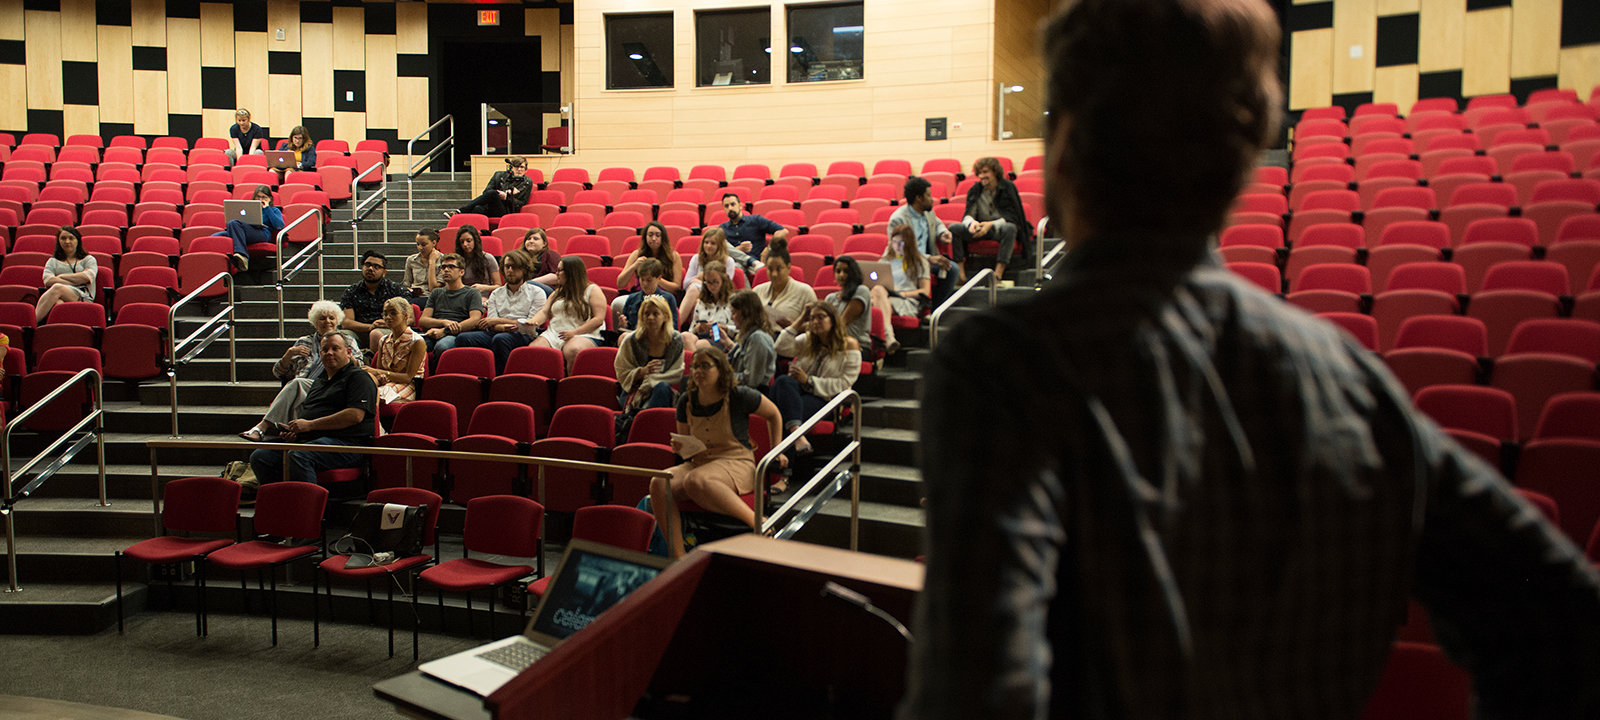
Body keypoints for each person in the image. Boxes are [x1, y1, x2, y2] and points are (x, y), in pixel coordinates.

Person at [903, 1, 1600, 719]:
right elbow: (1564, 621)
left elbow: (980, 693)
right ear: (1241, 158)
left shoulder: (1008, 364)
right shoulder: (1349, 380)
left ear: (1068, 142)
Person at [649, 346, 787, 559]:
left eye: (705, 366)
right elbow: (687, 447)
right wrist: (682, 447)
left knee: (696, 480)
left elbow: (774, 414)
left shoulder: (739, 395)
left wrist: (776, 449)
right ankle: (678, 555)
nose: (698, 371)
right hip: (700, 462)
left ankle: (758, 522)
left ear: (720, 370)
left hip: (737, 461)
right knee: (659, 481)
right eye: (695, 366)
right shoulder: (686, 400)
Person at [247, 332, 375, 486]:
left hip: (347, 444)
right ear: (320, 354)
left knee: (300, 455)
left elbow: (355, 415)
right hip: (312, 440)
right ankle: (281, 498)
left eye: (335, 348)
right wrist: (295, 432)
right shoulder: (319, 381)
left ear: (348, 352)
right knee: (261, 456)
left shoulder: (358, 377)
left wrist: (310, 425)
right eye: (325, 350)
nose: (329, 353)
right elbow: (309, 415)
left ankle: (307, 501)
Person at [238, 301, 361, 442]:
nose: (328, 321)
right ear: (315, 322)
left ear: (337, 321)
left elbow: (359, 367)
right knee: (297, 391)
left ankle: (262, 427)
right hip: (306, 386)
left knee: (297, 384)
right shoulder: (304, 342)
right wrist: (289, 354)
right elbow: (279, 373)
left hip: (331, 385)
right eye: (322, 318)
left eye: (331, 318)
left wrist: (346, 355)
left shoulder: (347, 341)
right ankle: (295, 436)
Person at [770, 301, 859, 456]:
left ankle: (783, 466)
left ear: (833, 319)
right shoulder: (807, 340)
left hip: (825, 399)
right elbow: (780, 347)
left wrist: (808, 380)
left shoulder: (849, 345)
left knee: (783, 412)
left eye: (820, 317)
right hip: (798, 393)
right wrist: (801, 319)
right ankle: (797, 434)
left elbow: (845, 382)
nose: (815, 321)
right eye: (811, 318)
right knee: (783, 381)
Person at [454, 249, 547, 374]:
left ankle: (504, 378)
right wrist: (501, 327)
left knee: (501, 339)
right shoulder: (496, 293)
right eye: (507, 267)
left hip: (524, 335)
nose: (510, 270)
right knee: (463, 338)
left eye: (514, 267)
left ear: (524, 269)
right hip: (498, 331)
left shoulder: (537, 292)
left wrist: (497, 321)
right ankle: (472, 378)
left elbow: (530, 323)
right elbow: (490, 322)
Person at [946, 156, 1032, 280]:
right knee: (954, 228)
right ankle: (961, 275)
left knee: (1010, 228)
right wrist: (971, 223)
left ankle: (997, 275)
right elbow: (968, 215)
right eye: (979, 173)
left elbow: (1013, 217)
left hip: (999, 229)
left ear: (995, 172)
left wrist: (990, 224)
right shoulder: (975, 189)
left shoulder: (1008, 187)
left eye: (985, 172)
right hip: (979, 229)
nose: (981, 176)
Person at [526, 256, 607, 374]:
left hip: (583, 334)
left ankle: (570, 383)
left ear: (571, 272)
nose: (557, 274)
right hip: (554, 334)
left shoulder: (593, 290)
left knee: (574, 350)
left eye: (560, 271)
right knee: (533, 350)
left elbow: (598, 319)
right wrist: (533, 321)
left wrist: (575, 332)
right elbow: (544, 312)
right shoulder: (557, 293)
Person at [889, 176, 962, 305]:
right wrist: (928, 258)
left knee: (952, 269)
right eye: (929, 195)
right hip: (907, 261)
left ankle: (936, 307)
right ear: (919, 198)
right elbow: (900, 250)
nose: (932, 199)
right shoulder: (898, 219)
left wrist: (942, 232)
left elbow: (937, 223)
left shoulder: (928, 212)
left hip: (926, 260)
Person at [615, 295, 685, 413]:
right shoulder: (631, 340)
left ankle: (643, 419)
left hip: (662, 391)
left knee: (662, 387)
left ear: (665, 317)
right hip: (634, 390)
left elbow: (677, 372)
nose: (650, 317)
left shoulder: (675, 340)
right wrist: (642, 372)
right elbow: (621, 370)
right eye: (646, 314)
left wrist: (652, 380)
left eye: (655, 314)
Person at [872, 225, 931, 355]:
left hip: (906, 301)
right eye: (894, 242)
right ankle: (888, 337)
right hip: (885, 297)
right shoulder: (886, 260)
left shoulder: (920, 262)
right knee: (877, 290)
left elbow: (925, 291)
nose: (897, 246)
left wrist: (903, 294)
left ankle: (884, 339)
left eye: (901, 243)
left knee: (877, 298)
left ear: (909, 243)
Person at [339, 250, 410, 349]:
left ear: (384, 272)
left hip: (388, 329)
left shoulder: (396, 290)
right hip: (360, 331)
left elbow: (410, 319)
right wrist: (370, 327)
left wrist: (388, 323)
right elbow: (346, 322)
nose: (370, 268)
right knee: (340, 337)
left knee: (375, 334)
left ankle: (375, 359)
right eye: (367, 265)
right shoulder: (351, 291)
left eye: (376, 266)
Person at [418, 253, 484, 354]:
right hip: (434, 332)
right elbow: (423, 321)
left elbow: (475, 320)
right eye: (443, 267)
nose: (446, 270)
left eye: (451, 267)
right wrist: (443, 322)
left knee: (442, 346)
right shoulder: (436, 293)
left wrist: (445, 330)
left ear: (461, 272)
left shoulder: (472, 293)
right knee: (413, 346)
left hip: (455, 334)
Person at [366, 297, 425, 406]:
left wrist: (380, 373)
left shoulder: (416, 341)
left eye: (393, 313)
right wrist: (381, 376)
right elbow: (380, 371)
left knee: (372, 395)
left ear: (405, 315)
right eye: (385, 314)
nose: (388, 317)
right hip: (387, 384)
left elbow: (408, 377)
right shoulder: (383, 340)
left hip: (408, 386)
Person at [716, 289, 777, 392]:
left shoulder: (758, 339)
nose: (731, 318)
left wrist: (721, 377)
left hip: (748, 394)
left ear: (746, 314)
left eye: (734, 313)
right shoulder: (746, 335)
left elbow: (750, 380)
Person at [36, 226, 98, 323]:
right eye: (63, 238)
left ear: (78, 240)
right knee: (58, 303)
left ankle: (32, 322)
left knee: (57, 288)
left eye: (71, 238)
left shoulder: (88, 259)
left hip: (82, 296)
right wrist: (77, 279)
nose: (67, 241)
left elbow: (86, 277)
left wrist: (60, 276)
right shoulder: (52, 261)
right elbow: (48, 280)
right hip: (59, 295)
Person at [679, 227, 739, 328]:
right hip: (699, 292)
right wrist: (701, 277)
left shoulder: (728, 261)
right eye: (706, 242)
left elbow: (725, 285)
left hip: (718, 293)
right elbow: (685, 284)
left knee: (697, 300)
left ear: (719, 245)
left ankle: (685, 327)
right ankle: (678, 326)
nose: (708, 246)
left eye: (713, 243)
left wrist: (702, 280)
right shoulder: (696, 258)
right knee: (693, 290)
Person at [752, 237, 816, 328]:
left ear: (788, 268)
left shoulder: (805, 291)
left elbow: (814, 324)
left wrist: (793, 327)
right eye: (770, 269)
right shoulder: (757, 291)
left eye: (779, 269)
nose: (774, 274)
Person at [718, 191, 787, 273]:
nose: (730, 208)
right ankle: (750, 261)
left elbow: (782, 231)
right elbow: (719, 252)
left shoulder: (755, 220)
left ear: (740, 206)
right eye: (726, 206)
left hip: (757, 265)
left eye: (733, 204)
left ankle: (752, 262)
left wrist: (769, 248)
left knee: (736, 269)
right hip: (735, 263)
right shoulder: (722, 228)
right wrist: (738, 249)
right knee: (718, 239)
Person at [223, 184, 284, 272]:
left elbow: (279, 225)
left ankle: (242, 256)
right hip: (245, 231)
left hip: (262, 233)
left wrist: (267, 208)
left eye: (264, 197)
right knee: (217, 236)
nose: (260, 199)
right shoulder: (249, 209)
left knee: (233, 223)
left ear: (270, 198)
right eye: (258, 197)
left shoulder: (274, 210)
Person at [450, 155, 533, 218]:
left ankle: (461, 211)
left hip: (507, 210)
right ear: (511, 168)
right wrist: (499, 194)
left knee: (493, 193)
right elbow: (486, 192)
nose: (519, 169)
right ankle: (479, 232)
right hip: (492, 206)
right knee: (478, 208)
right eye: (516, 167)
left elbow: (522, 203)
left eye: (522, 167)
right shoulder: (498, 175)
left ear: (526, 170)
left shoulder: (527, 182)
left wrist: (507, 197)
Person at [616, 221, 684, 295]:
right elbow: (620, 284)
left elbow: (676, 288)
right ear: (645, 237)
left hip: (663, 296)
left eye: (658, 235)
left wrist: (655, 278)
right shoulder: (636, 254)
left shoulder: (673, 256)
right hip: (640, 295)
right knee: (618, 301)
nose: (654, 238)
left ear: (663, 238)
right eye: (650, 235)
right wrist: (634, 266)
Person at [613, 257, 679, 332]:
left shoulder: (668, 298)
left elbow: (673, 328)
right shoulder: (632, 299)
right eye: (642, 279)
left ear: (659, 278)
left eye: (649, 280)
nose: (644, 283)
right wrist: (623, 325)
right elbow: (627, 328)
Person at [823, 256, 872, 351]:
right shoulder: (830, 298)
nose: (841, 275)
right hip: (834, 344)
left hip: (858, 346)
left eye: (846, 271)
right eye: (838, 271)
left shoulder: (861, 291)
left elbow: (843, 322)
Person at [687, 264, 735, 347]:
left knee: (698, 344)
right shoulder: (701, 303)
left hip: (723, 339)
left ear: (724, 281)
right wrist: (698, 328)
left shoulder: (733, 302)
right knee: (684, 336)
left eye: (715, 282)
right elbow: (691, 330)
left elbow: (742, 331)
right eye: (708, 282)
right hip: (702, 336)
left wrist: (724, 328)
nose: (712, 286)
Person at [453, 225, 502, 299]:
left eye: (469, 241)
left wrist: (483, 287)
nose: (465, 244)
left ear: (475, 241)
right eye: (462, 242)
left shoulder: (488, 258)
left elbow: (498, 286)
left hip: (484, 296)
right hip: (463, 296)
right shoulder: (458, 259)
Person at [401, 229, 442, 307]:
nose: (420, 248)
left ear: (434, 243)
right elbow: (406, 283)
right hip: (414, 296)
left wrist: (432, 262)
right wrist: (410, 290)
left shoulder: (443, 260)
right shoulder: (411, 260)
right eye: (418, 244)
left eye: (423, 244)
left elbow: (434, 289)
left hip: (432, 297)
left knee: (410, 305)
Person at [523, 227, 563, 295]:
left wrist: (530, 283)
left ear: (544, 243)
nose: (531, 241)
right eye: (528, 239)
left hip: (546, 288)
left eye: (535, 239)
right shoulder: (520, 256)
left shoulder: (550, 254)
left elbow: (556, 276)